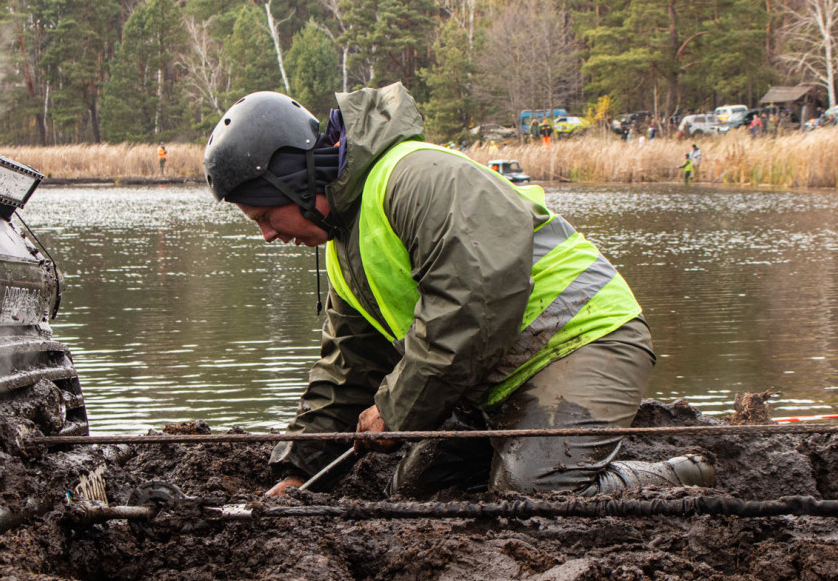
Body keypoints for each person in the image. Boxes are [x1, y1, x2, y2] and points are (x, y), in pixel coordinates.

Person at [202, 84, 715, 499]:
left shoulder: (416, 177)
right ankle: (545, 453)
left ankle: (688, 472)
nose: (268, 234)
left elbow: (475, 302)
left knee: (530, 497)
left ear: (294, 183)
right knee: (417, 489)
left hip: (586, 339)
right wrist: (297, 472)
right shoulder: (344, 247)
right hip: (496, 374)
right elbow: (347, 371)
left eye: (266, 216)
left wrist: (397, 408)